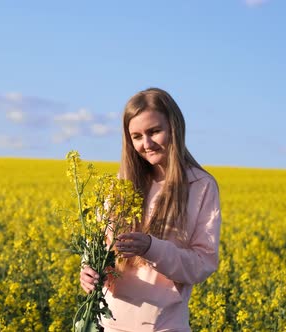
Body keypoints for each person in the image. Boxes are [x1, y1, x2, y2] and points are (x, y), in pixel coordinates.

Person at [79, 87, 221, 332]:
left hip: (164, 326)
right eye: (136, 136)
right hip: (109, 325)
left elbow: (202, 264)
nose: (146, 144)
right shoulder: (120, 185)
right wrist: (88, 270)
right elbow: (101, 245)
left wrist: (150, 248)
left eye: (154, 131)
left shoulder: (200, 186)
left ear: (174, 128)